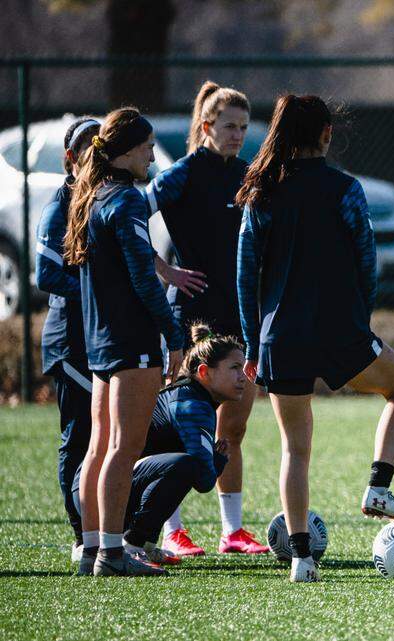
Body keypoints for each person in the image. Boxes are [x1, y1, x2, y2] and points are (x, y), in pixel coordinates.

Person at [236, 94, 394, 583]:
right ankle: (379, 486)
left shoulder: (259, 192)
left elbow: (245, 274)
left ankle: (300, 559)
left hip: (281, 336)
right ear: (326, 134)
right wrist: (361, 317)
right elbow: (367, 260)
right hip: (340, 328)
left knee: (295, 449)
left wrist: (254, 344)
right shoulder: (345, 188)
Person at [144, 80, 269, 557]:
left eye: (243, 127)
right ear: (206, 126)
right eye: (228, 126)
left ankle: (232, 530)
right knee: (174, 427)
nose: (237, 134)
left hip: (236, 315)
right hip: (188, 317)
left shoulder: (248, 175)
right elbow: (130, 215)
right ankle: (170, 530)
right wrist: (165, 269)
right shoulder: (181, 174)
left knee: (231, 428)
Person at [64, 107, 186, 577]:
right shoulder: (128, 199)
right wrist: (172, 336)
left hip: (99, 341)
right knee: (123, 448)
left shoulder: (90, 195)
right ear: (130, 149)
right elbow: (142, 276)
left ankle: (93, 547)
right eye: (149, 146)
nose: (153, 154)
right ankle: (113, 555)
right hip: (130, 340)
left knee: (100, 446)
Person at [71, 324, 244, 574]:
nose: (243, 377)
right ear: (205, 372)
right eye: (234, 368)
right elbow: (204, 480)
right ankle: (132, 545)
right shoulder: (192, 405)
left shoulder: (195, 396)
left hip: (94, 489)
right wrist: (217, 460)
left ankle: (145, 543)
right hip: (101, 493)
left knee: (181, 464)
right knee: (185, 465)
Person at [35, 116, 100, 560]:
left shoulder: (109, 200)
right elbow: (45, 274)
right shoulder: (61, 205)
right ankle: (83, 536)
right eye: (87, 148)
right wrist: (100, 291)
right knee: (79, 437)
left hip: (101, 337)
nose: (95, 155)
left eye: (102, 146)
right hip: (71, 341)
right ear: (69, 159)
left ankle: (119, 531)